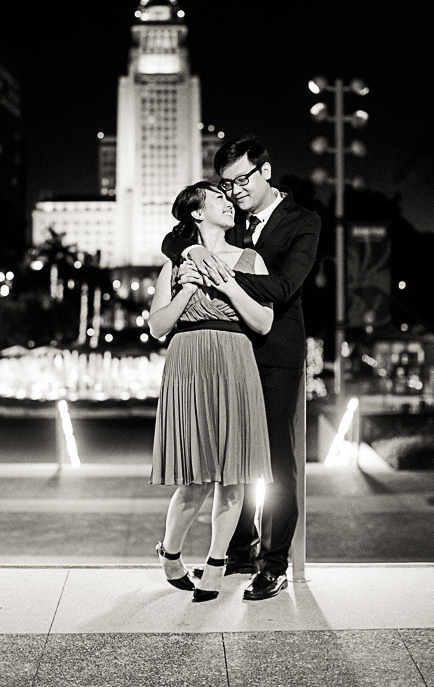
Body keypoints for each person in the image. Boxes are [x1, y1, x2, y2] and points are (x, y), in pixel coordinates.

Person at [162, 134, 321, 601]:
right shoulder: (227, 222)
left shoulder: (302, 222)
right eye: (226, 185)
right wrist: (191, 253)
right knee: (230, 458)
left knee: (273, 462)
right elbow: (176, 236)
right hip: (228, 354)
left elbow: (286, 283)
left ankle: (274, 565)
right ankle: (238, 549)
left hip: (274, 352)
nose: (233, 191)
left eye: (241, 180)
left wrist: (220, 271)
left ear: (265, 171)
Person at [149, 180, 274, 602]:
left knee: (233, 475)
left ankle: (218, 563)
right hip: (189, 363)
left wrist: (227, 284)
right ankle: (170, 553)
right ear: (197, 212)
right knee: (195, 477)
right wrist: (188, 285)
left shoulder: (250, 259)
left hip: (236, 360)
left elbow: (263, 323)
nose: (229, 202)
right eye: (218, 197)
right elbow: (159, 326)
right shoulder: (175, 262)